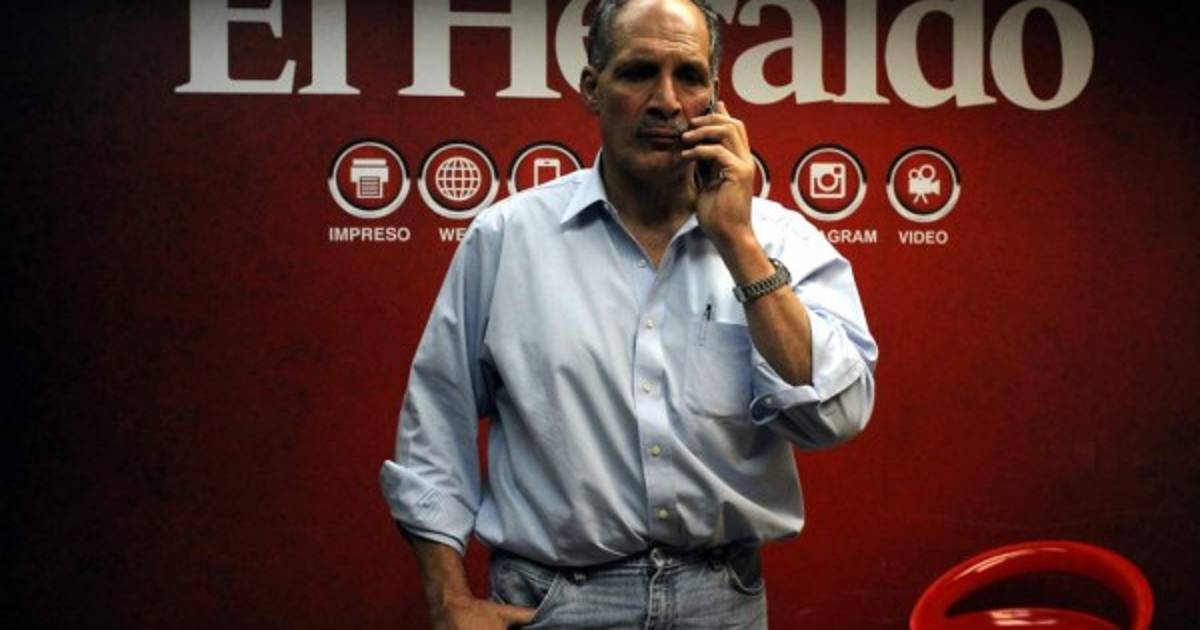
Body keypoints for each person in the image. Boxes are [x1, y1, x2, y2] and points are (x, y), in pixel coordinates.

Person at [379, 0, 878, 627]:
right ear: (592, 88)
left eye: (689, 76)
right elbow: (435, 425)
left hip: (721, 601)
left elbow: (837, 417)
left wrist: (738, 243)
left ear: (715, 98)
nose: (666, 101)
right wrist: (448, 598)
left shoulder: (778, 241)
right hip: (553, 601)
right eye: (639, 72)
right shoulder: (508, 238)